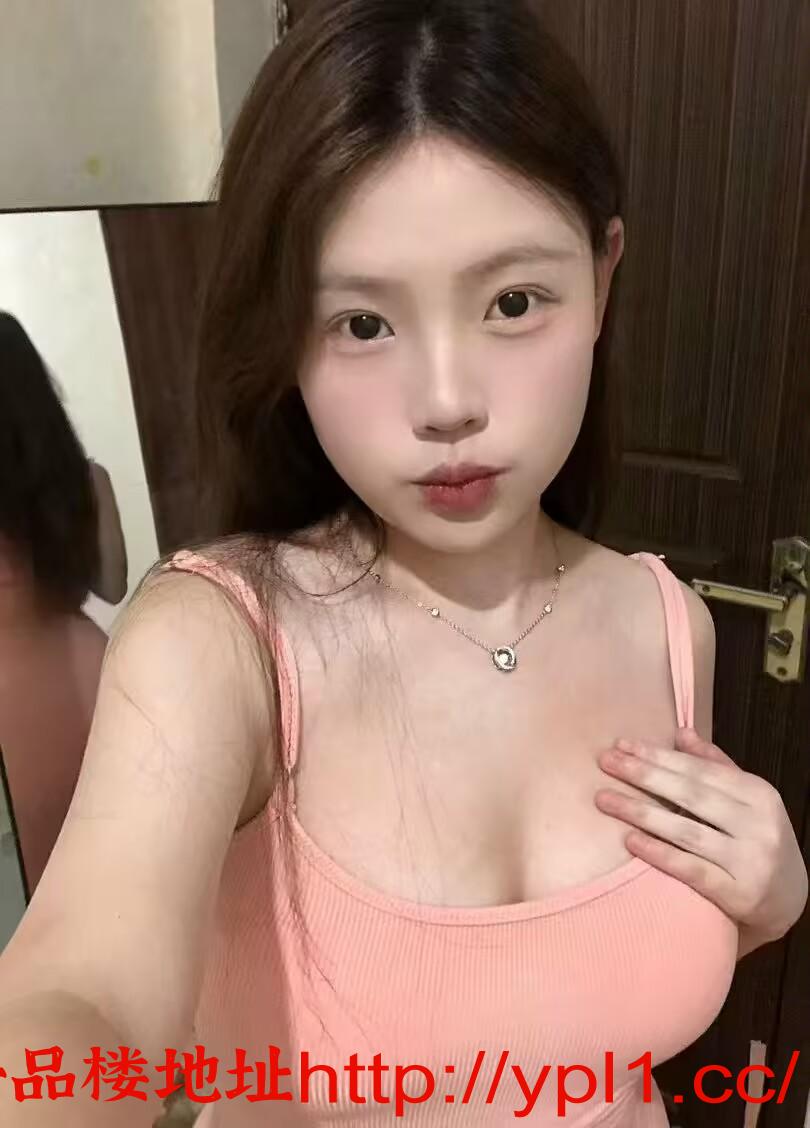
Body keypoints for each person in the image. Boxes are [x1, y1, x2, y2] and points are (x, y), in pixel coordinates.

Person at [0, 2, 806, 1126]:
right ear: (288, 336)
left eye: (513, 302)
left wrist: (770, 902)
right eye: (363, 325)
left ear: (603, 277)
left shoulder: (668, 622)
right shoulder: (219, 640)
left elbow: (606, 986)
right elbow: (81, 995)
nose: (446, 402)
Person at [0, 312, 123, 899]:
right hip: (95, 680)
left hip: (13, 711)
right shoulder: (84, 481)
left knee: (34, 898)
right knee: (108, 879)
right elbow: (113, 585)